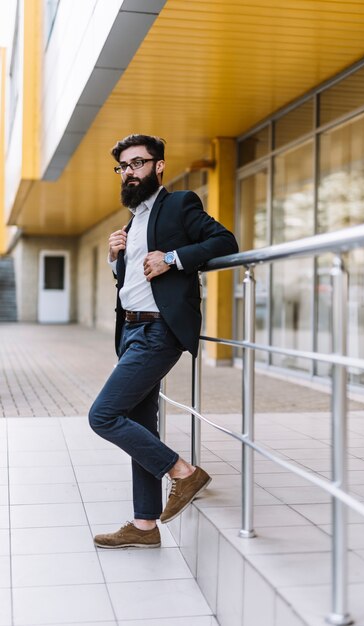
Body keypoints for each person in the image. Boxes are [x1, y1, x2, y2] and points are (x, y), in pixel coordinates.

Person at [89, 134, 238, 548]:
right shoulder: (133, 221)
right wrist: (116, 258)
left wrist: (174, 258)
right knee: (138, 424)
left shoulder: (179, 204)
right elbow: (133, 282)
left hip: (159, 330)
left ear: (158, 166)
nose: (130, 172)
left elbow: (226, 242)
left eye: (137, 163)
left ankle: (184, 473)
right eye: (123, 167)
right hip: (133, 330)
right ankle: (144, 527)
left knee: (102, 416)